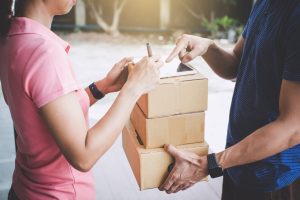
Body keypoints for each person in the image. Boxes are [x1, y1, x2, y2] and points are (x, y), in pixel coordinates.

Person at [0, 0, 163, 199]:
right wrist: (133, 88)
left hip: (24, 189)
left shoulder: (13, 37)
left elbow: (46, 112)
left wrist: (102, 87)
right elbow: (83, 155)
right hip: (58, 194)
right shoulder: (44, 52)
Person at [159, 0, 300, 200]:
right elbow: (235, 64)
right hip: (237, 161)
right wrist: (208, 46)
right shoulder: (264, 2)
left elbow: (293, 127)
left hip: (274, 176)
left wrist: (210, 164)